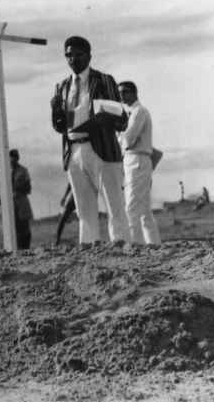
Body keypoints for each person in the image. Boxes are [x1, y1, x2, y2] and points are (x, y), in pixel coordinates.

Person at [50, 36, 130, 244]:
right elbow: (60, 126)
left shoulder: (103, 80)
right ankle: (90, 250)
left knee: (115, 206)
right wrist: (56, 112)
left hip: (101, 149)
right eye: (69, 55)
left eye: (78, 54)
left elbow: (121, 118)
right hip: (74, 151)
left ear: (89, 56)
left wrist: (104, 117)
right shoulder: (62, 86)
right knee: (84, 211)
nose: (73, 59)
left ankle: (123, 249)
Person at [118, 81, 162, 245]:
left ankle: (134, 244)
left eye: (124, 92)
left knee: (131, 206)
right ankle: (153, 243)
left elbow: (128, 140)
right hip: (135, 159)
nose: (121, 96)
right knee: (143, 209)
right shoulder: (132, 113)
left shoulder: (139, 112)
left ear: (134, 93)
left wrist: (119, 132)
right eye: (119, 93)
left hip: (137, 159)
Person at [9, 149, 34, 250]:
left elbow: (28, 188)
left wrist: (17, 187)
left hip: (21, 200)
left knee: (24, 227)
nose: (12, 159)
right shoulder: (4, 171)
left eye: (14, 157)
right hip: (10, 203)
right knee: (13, 227)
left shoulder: (23, 171)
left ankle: (26, 248)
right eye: (11, 157)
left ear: (17, 158)